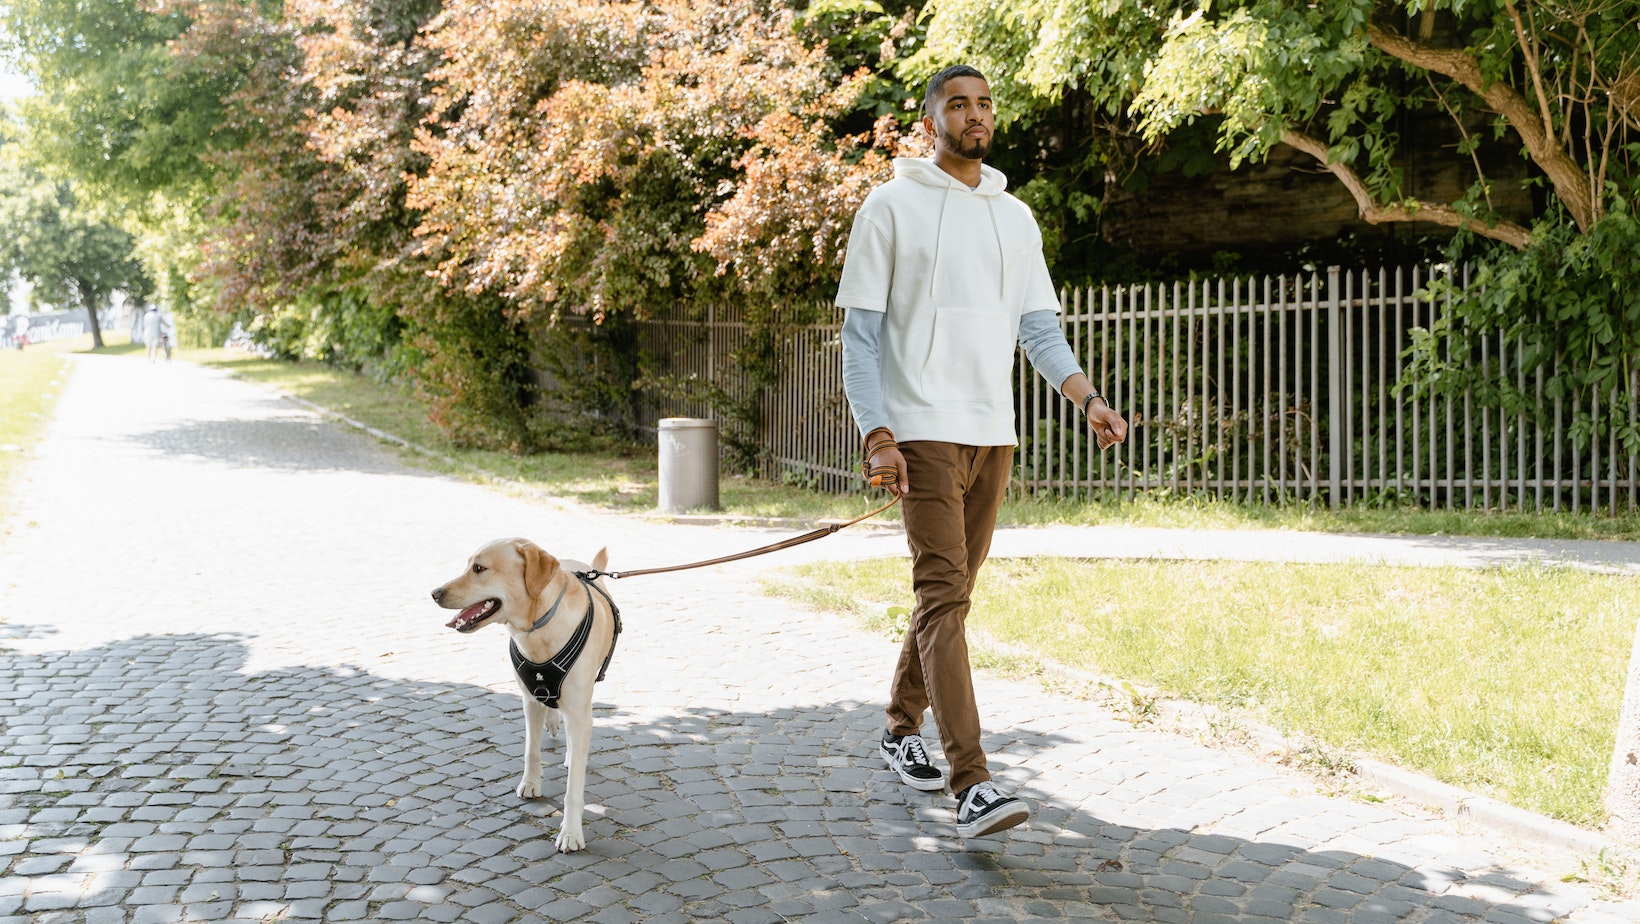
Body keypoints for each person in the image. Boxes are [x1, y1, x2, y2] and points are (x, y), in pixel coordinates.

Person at [836, 64, 1129, 839]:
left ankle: (900, 728)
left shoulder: (1015, 218)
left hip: (992, 433)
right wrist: (879, 433)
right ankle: (973, 782)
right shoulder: (889, 208)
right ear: (930, 118)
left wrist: (1087, 398)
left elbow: (1039, 329)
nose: (975, 115)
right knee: (942, 593)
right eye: (957, 104)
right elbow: (860, 339)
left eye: (984, 104)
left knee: (950, 597)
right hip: (920, 430)